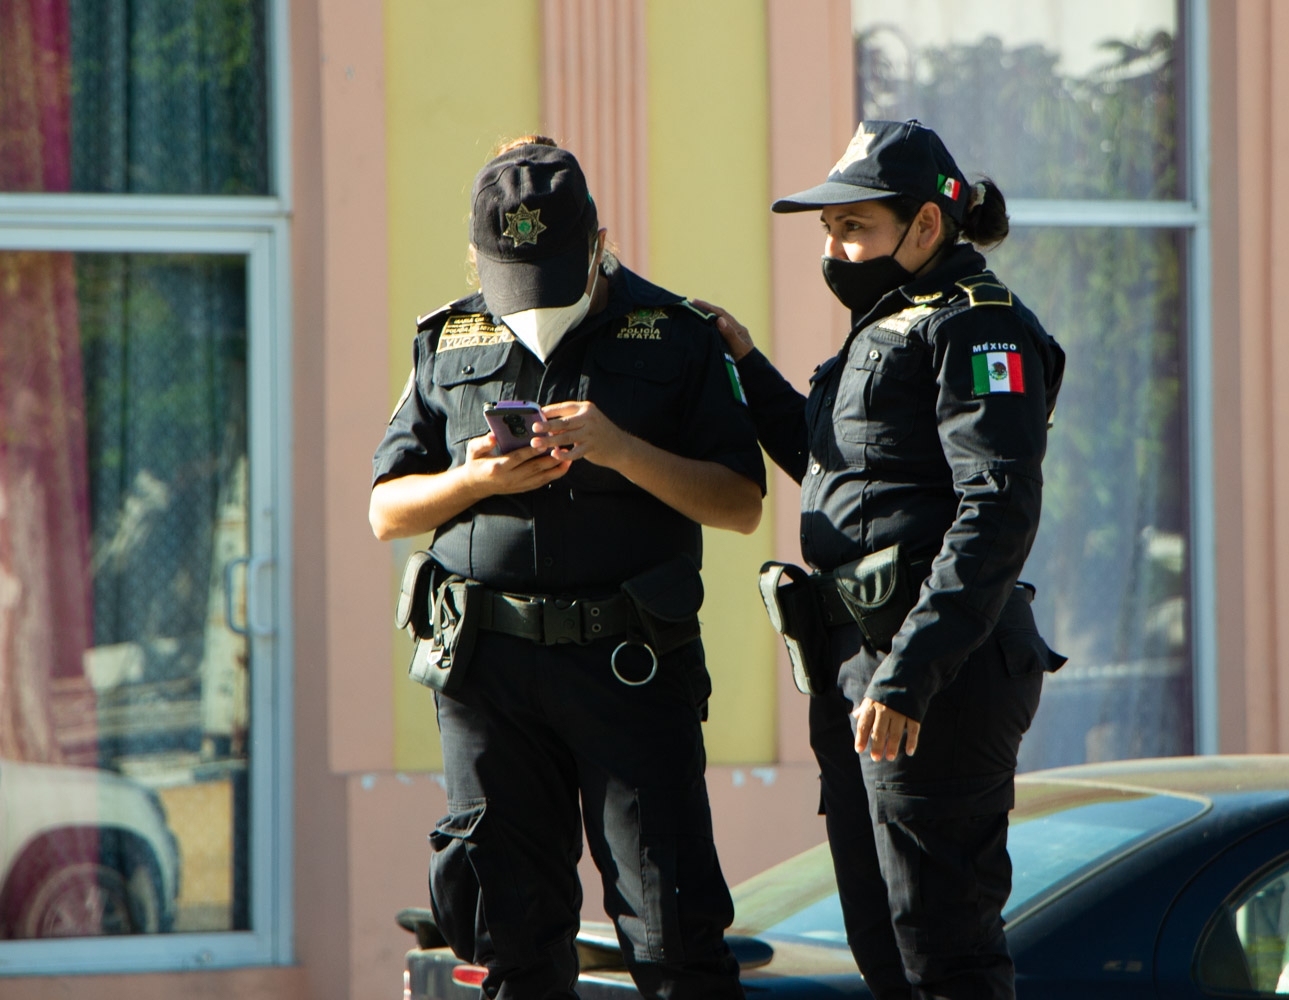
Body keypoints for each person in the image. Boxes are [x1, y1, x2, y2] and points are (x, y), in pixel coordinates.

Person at [369, 136, 764, 1000]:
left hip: (627, 666)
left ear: (597, 243)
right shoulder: (448, 335)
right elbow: (385, 510)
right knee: (512, 945)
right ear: (477, 256)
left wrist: (622, 450)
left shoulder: (676, 334)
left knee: (674, 941)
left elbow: (741, 503)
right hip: (489, 675)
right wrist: (471, 479)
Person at [702, 120, 1065, 1000]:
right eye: (828, 229)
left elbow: (997, 509)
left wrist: (911, 675)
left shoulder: (979, 329)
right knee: (881, 943)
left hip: (937, 670)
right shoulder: (887, 324)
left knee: (942, 950)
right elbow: (838, 468)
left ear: (928, 226)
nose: (834, 246)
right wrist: (744, 366)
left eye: (853, 226)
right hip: (857, 660)